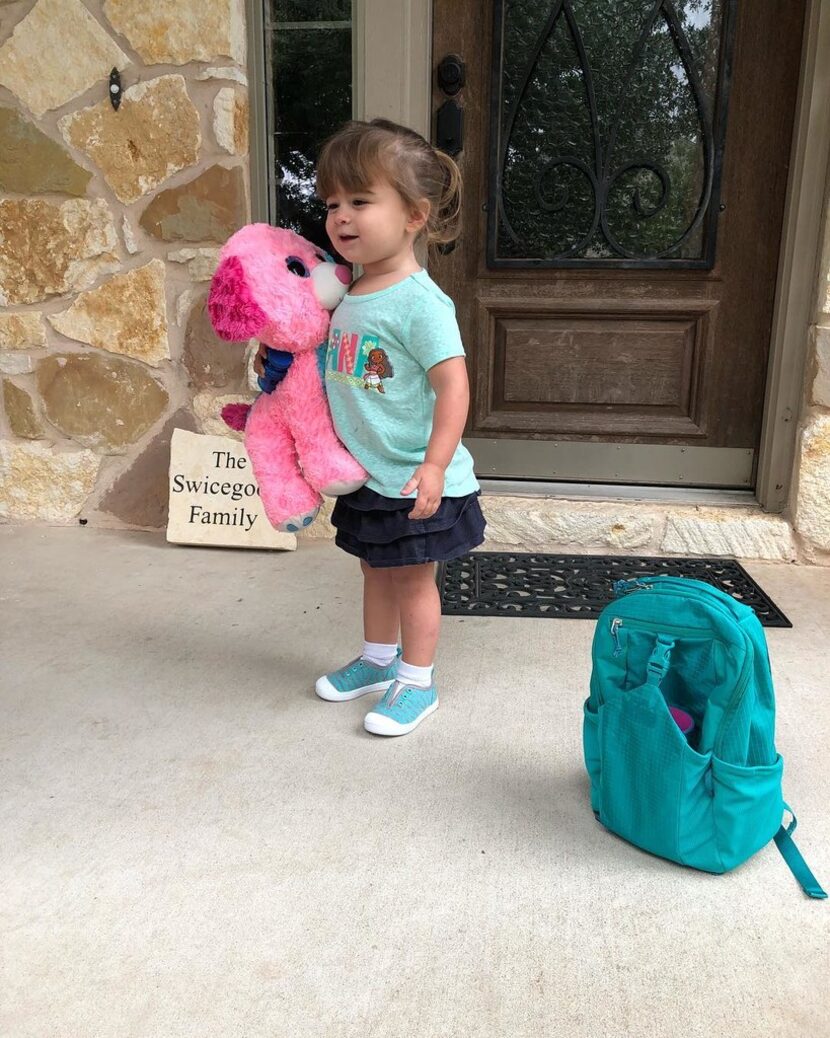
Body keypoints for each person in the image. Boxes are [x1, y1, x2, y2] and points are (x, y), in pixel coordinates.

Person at [261, 118, 486, 736]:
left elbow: (454, 386)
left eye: (361, 201)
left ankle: (417, 682)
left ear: (414, 215)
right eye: (333, 203)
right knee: (372, 569)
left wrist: (436, 464)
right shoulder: (348, 290)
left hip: (413, 475)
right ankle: (378, 660)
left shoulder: (420, 302)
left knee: (414, 579)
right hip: (366, 471)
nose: (340, 216)